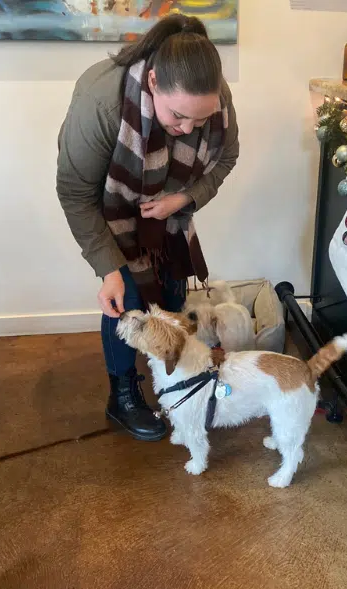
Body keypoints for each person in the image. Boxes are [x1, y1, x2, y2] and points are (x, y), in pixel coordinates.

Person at [56, 14, 239, 442]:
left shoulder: (211, 95)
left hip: (169, 218)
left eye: (200, 119)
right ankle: (122, 394)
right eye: (178, 117)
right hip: (113, 213)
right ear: (153, 81)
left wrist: (184, 198)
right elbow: (74, 192)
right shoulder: (100, 100)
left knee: (173, 293)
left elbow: (226, 158)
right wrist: (108, 269)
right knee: (129, 304)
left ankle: (170, 375)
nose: (190, 129)